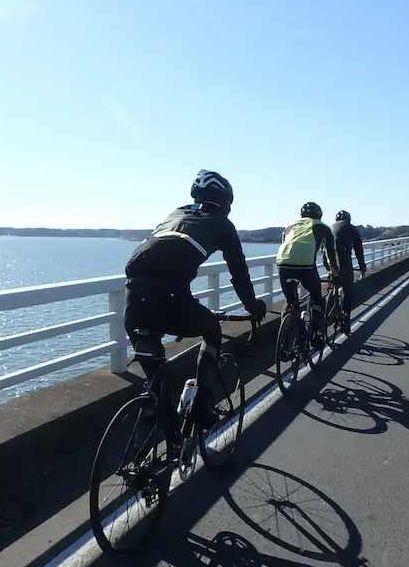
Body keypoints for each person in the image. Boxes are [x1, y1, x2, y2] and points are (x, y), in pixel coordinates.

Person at [123, 169, 267, 424]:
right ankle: (200, 403)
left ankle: (157, 420)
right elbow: (239, 271)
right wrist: (252, 306)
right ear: (225, 201)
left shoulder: (174, 214)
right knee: (212, 329)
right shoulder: (222, 223)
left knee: (156, 377)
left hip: (133, 298)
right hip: (171, 298)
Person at [275, 202, 337, 349]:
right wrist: (334, 273)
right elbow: (330, 255)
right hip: (306, 267)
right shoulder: (322, 227)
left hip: (283, 264)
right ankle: (316, 336)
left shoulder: (290, 225)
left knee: (290, 302)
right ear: (319, 215)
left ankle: (285, 344)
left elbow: (285, 243)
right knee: (317, 299)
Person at [331, 210, 367, 336]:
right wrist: (362, 267)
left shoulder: (330, 228)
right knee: (348, 291)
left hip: (330, 266)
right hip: (345, 267)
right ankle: (345, 322)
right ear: (348, 220)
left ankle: (329, 312)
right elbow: (359, 251)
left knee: (332, 284)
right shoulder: (352, 229)